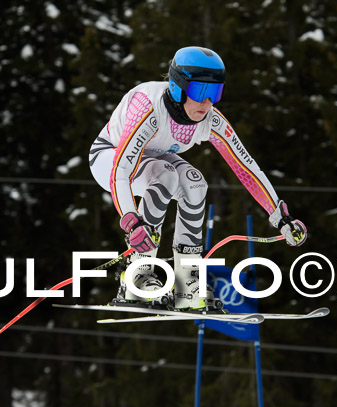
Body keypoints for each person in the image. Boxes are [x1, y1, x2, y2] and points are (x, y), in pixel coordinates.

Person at [89, 46, 307, 311]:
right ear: (177, 87)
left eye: (215, 93)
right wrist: (132, 222)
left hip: (154, 158)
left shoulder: (210, 120)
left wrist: (281, 217)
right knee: (166, 176)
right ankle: (137, 276)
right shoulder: (149, 108)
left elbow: (246, 168)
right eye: (200, 91)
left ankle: (187, 282)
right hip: (109, 157)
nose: (207, 103)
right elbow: (121, 171)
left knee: (195, 182)